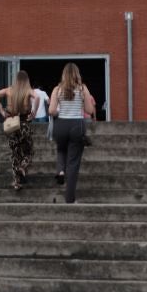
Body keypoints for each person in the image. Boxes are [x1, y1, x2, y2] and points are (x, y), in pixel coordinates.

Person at [49, 64, 99, 204]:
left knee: (61, 148)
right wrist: (81, 103)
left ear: (63, 75)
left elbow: (52, 111)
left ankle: (60, 170)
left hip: (61, 125)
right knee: (73, 163)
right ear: (77, 74)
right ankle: (70, 199)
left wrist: (61, 111)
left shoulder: (57, 89)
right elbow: (89, 110)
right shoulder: (83, 88)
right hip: (77, 125)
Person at [0, 71, 39, 191]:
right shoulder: (27, 91)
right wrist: (34, 112)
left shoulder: (9, 90)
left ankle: (16, 182)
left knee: (15, 153)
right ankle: (23, 166)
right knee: (29, 151)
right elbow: (37, 97)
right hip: (23, 124)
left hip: (11, 124)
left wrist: (2, 111)